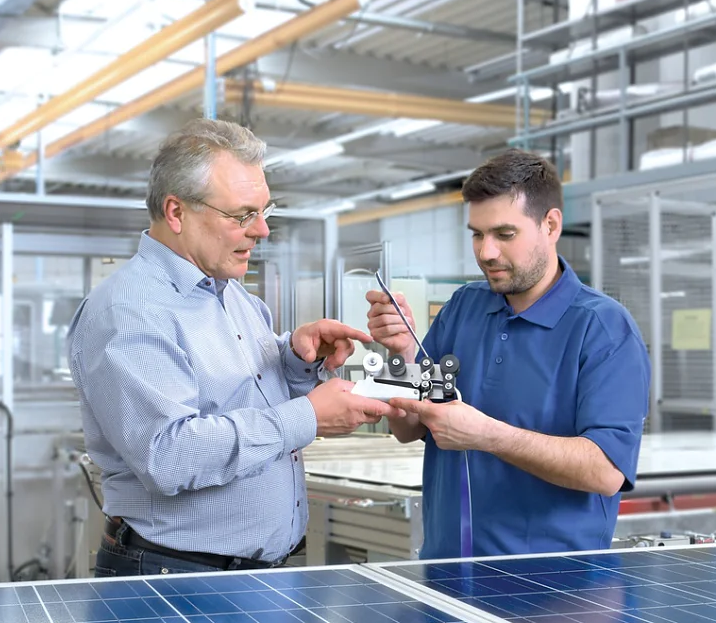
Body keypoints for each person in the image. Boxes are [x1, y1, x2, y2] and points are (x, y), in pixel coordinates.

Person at [70, 118, 392, 577]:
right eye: (242, 215)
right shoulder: (129, 310)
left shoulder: (233, 295)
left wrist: (296, 361)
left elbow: (240, 396)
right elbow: (169, 455)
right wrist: (307, 417)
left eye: (265, 211)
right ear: (177, 212)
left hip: (255, 574)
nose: (262, 230)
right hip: (177, 578)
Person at [367, 150, 650, 560]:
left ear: (550, 225)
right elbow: (409, 428)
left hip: (554, 584)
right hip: (447, 571)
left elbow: (606, 471)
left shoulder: (603, 329)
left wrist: (487, 436)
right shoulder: (463, 307)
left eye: (504, 234)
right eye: (477, 234)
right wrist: (403, 353)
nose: (486, 252)